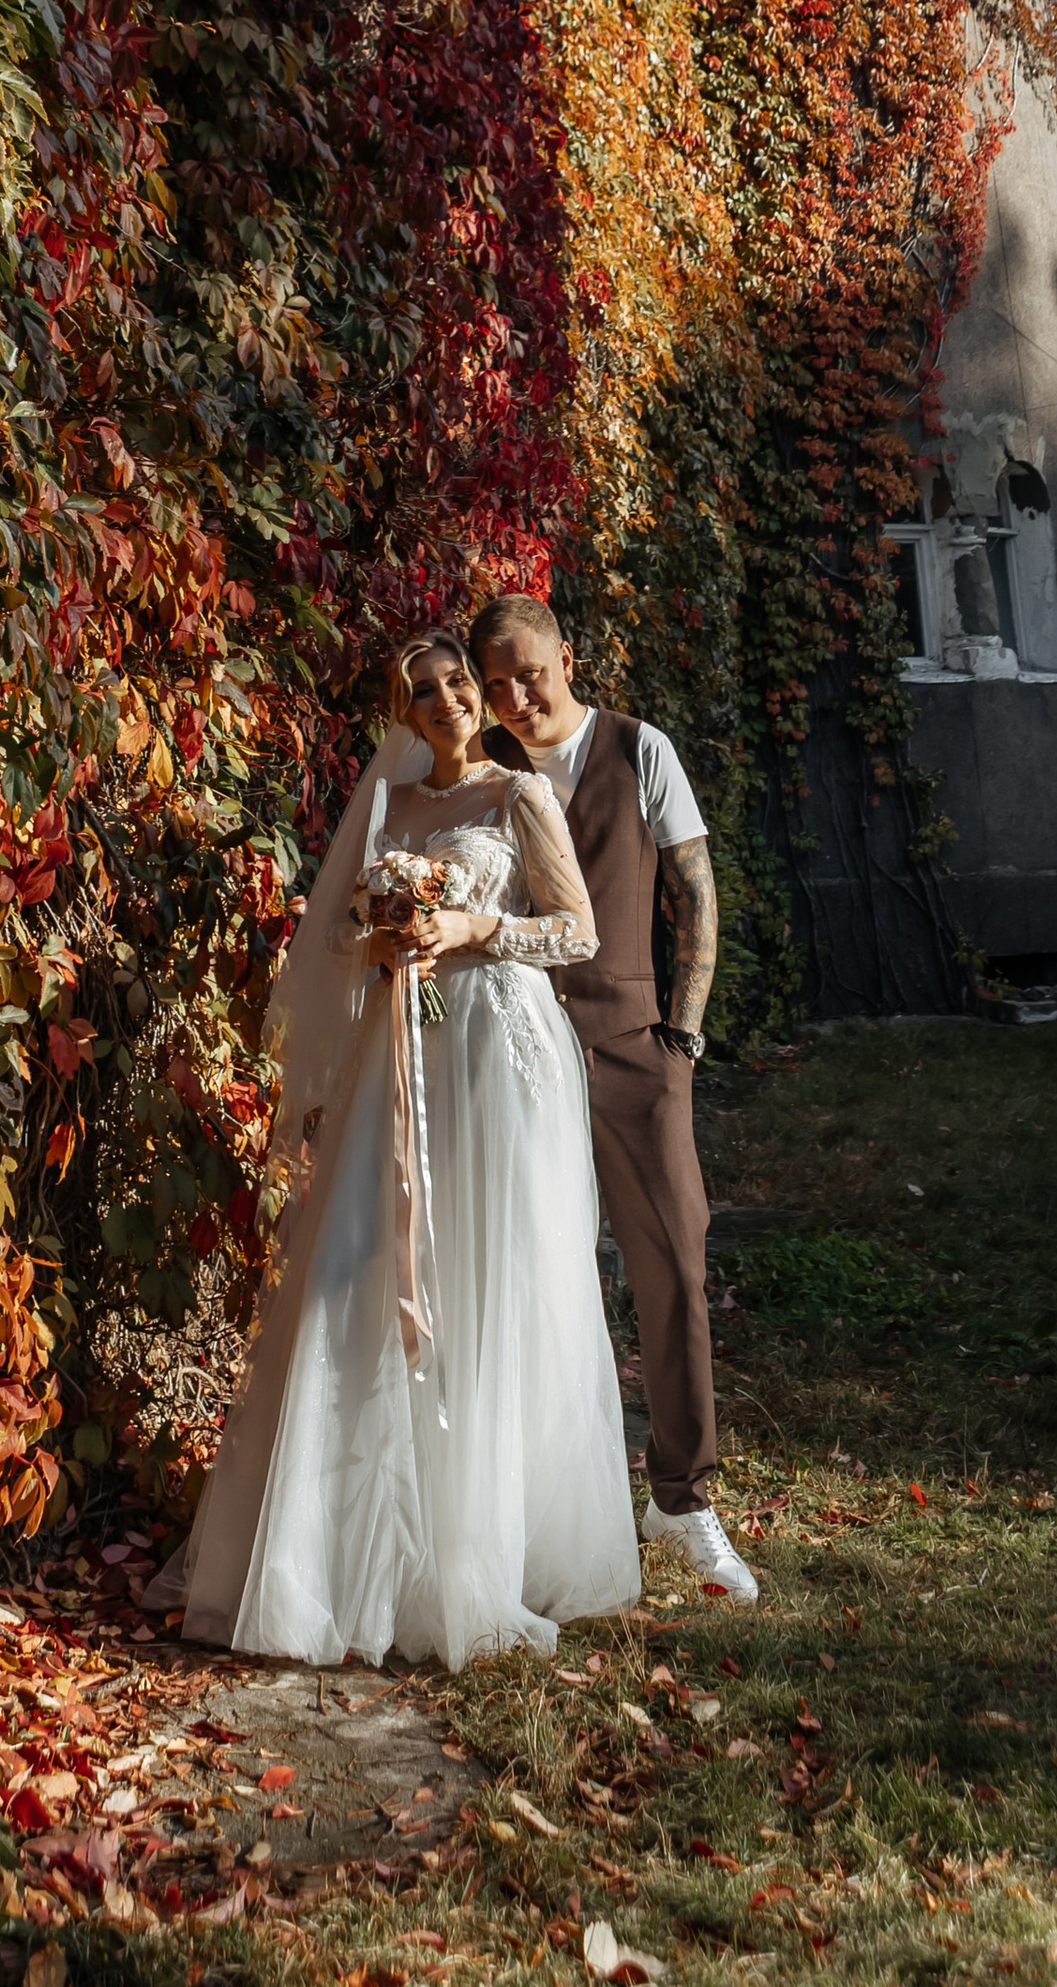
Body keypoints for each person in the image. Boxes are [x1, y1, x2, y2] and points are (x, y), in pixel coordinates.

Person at [158, 629, 641, 1664]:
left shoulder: (519, 799)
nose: (447, 700)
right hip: (402, 1052)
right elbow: (333, 936)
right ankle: (338, 1555)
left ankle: (490, 1545)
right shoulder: (392, 808)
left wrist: (472, 932)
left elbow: (577, 932)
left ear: (480, 691)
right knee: (363, 1262)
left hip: (496, 1054)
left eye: (458, 682)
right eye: (423, 693)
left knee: (492, 1276)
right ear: (406, 714)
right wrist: (383, 933)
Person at [472, 592, 759, 1606]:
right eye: (494, 681)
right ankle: (535, 1512)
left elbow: (695, 889)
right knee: (525, 1282)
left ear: (566, 657)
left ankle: (682, 1500)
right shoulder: (480, 769)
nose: (514, 695)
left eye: (528, 672)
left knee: (673, 1261)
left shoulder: (640, 750)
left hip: (631, 1047)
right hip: (507, 1052)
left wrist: (679, 1033)